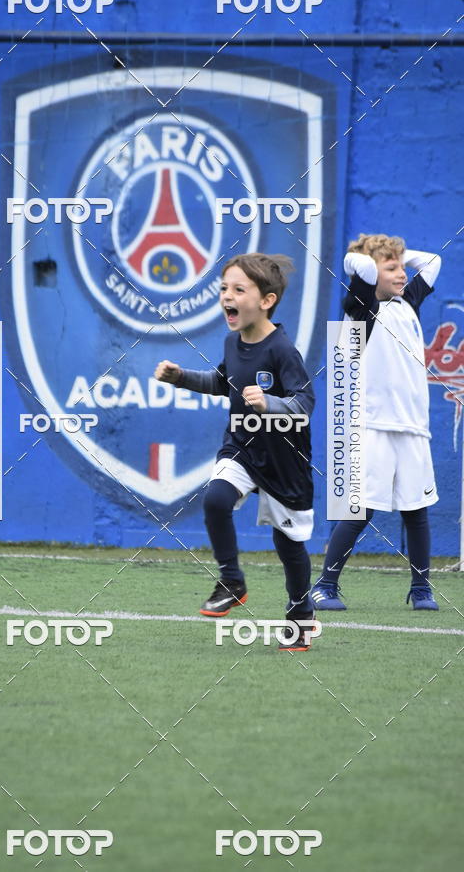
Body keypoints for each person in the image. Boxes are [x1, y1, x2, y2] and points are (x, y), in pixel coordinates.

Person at [154, 253, 317, 650]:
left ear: (267, 300)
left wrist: (270, 403)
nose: (227, 295)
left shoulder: (282, 350)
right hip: (242, 446)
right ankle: (232, 579)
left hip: (283, 459)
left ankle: (300, 614)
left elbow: (305, 402)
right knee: (215, 499)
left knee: (288, 545)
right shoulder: (232, 341)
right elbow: (220, 382)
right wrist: (182, 379)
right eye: (224, 288)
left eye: (238, 289)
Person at [312, 234, 441, 611]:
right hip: (373, 428)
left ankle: (421, 590)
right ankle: (324, 586)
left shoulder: (408, 303)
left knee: (416, 513)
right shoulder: (361, 308)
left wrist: (396, 255)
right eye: (392, 269)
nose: (402, 274)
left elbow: (432, 260)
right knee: (359, 511)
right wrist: (367, 258)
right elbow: (363, 269)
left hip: (414, 429)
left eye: (402, 267)